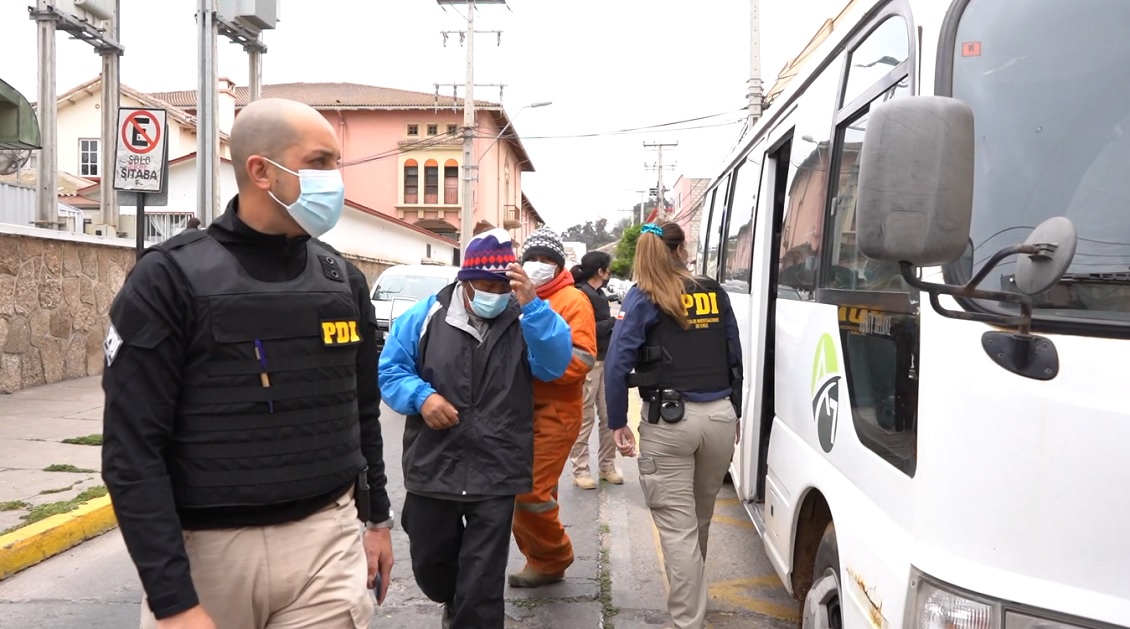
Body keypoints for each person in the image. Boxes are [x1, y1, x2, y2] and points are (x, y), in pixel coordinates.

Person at [101, 98, 394, 629]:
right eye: (320, 162)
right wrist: (173, 602)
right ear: (261, 170)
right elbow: (132, 451)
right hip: (209, 555)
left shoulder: (343, 282)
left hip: (326, 543)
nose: (336, 179)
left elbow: (362, 412)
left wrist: (377, 520)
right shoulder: (167, 279)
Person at [377, 227, 573, 628]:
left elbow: (554, 365)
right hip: (434, 464)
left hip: (497, 467)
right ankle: (453, 597)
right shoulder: (425, 315)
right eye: (485, 284)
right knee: (433, 564)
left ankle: (469, 609)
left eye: (503, 285)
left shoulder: (527, 316)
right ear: (465, 281)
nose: (494, 293)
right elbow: (391, 371)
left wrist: (533, 306)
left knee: (482, 582)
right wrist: (422, 397)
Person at [604, 222, 743, 629]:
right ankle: (695, 602)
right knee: (698, 520)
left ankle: (689, 620)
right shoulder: (713, 291)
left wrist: (617, 421)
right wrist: (733, 408)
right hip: (719, 415)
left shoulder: (644, 297)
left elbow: (617, 363)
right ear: (682, 248)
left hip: (670, 422)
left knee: (677, 529)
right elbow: (734, 353)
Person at [508, 227, 597, 588]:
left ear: (560, 265)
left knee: (528, 491)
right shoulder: (513, 294)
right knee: (539, 491)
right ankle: (543, 558)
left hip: (556, 413)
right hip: (518, 412)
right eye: (534, 258)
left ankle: (552, 558)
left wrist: (538, 362)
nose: (540, 265)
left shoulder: (573, 301)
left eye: (549, 260)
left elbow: (582, 359)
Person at [568, 251, 621, 489]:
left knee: (610, 418)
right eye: (607, 270)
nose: (609, 274)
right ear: (600, 271)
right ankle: (580, 470)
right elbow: (586, 328)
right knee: (585, 419)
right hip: (588, 364)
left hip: (605, 361)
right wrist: (614, 322)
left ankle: (607, 466)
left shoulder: (598, 294)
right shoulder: (580, 295)